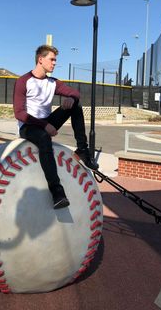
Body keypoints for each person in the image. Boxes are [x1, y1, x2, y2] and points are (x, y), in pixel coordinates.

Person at [13, 44, 98, 210]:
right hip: (29, 126)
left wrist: (72, 99)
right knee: (44, 138)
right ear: (40, 59)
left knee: (77, 105)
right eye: (52, 59)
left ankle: (82, 150)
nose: (54, 63)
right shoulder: (24, 81)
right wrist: (45, 126)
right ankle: (57, 191)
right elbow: (19, 113)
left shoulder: (53, 82)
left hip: (46, 121)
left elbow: (75, 93)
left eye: (55, 60)